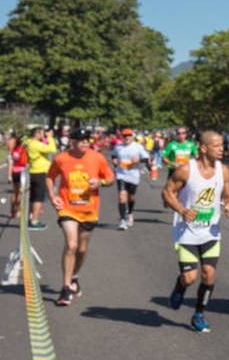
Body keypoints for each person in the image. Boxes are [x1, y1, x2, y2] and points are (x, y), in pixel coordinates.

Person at [162, 130, 229, 333]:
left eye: (222, 145)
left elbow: (228, 195)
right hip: (186, 233)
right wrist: (182, 210)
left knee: (209, 274)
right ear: (203, 148)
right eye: (217, 146)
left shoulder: (224, 171)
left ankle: (199, 314)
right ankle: (180, 286)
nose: (221, 149)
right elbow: (167, 192)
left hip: (210, 233)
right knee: (190, 277)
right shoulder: (186, 170)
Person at [46, 129, 114, 306]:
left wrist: (101, 182)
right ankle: (66, 287)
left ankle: (74, 276)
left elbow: (110, 177)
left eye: (87, 140)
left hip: (89, 210)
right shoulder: (61, 158)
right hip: (67, 209)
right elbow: (50, 177)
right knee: (71, 244)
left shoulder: (96, 157)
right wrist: (53, 197)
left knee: (82, 249)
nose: (85, 143)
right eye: (81, 140)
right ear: (72, 142)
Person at [112, 128, 151, 230]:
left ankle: (130, 213)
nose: (127, 137)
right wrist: (115, 161)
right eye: (125, 136)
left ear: (132, 136)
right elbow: (113, 155)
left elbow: (146, 159)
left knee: (131, 197)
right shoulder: (118, 147)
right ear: (122, 137)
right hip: (121, 174)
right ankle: (122, 220)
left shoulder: (138, 147)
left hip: (133, 175)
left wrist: (139, 160)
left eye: (129, 135)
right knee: (122, 197)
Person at [7, 134, 28, 220]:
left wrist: (9, 176)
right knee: (20, 193)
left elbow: (10, 164)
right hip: (22, 172)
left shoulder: (13, 152)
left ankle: (12, 211)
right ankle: (18, 210)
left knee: (15, 192)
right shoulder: (23, 149)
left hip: (14, 172)